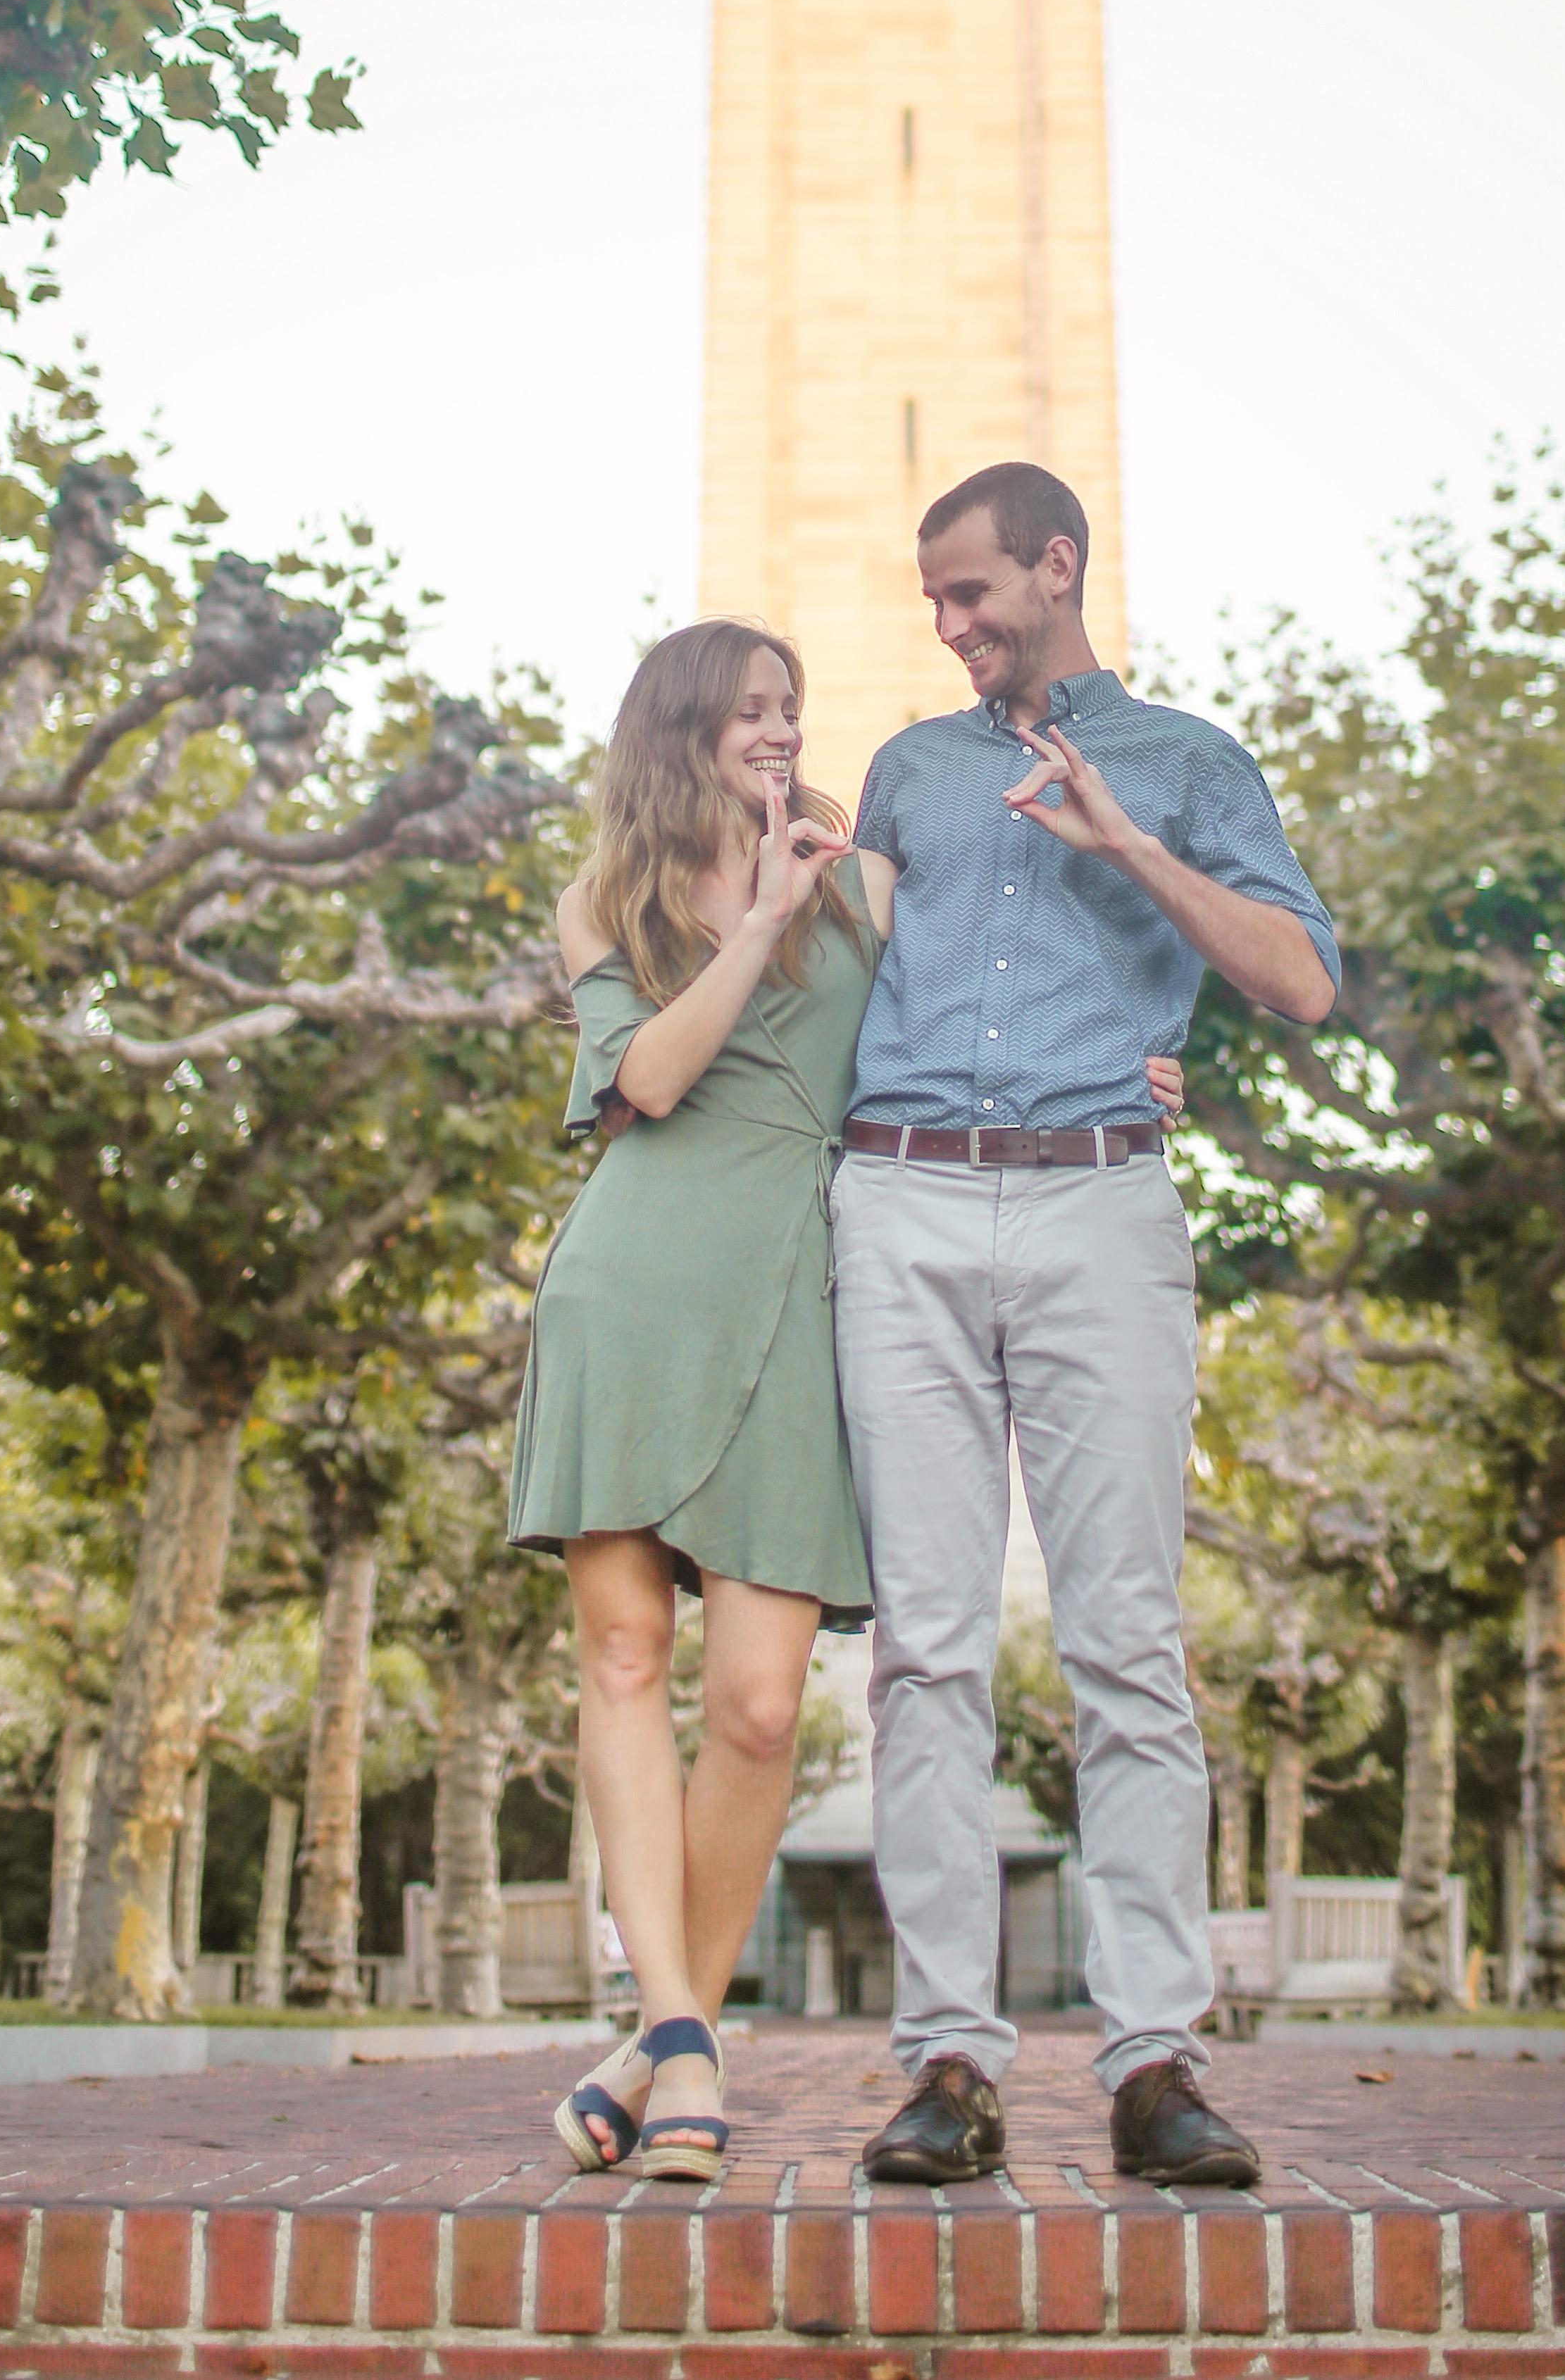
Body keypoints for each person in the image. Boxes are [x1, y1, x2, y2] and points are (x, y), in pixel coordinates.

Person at [505, 618, 1187, 2176]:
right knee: (623, 1660)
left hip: (803, 1294)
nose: (779, 731)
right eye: (750, 710)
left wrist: (1127, 1064)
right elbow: (651, 1083)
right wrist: (754, 925)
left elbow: (1000, 1003)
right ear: (681, 727)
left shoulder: (865, 877)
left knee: (753, 1708)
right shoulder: (604, 902)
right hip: (635, 1282)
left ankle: (651, 2041)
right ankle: (686, 2040)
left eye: (790, 708)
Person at [832, 464, 1339, 2190]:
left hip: (1099, 1203)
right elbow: (842, 978)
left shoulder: (1194, 764)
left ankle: (1151, 2061)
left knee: (1129, 1640)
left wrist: (1126, 843)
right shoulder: (911, 769)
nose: (955, 628)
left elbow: (1300, 976)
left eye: (975, 595)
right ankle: (950, 2065)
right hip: (896, 1197)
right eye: (937, 606)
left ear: (1058, 566)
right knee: (925, 1649)